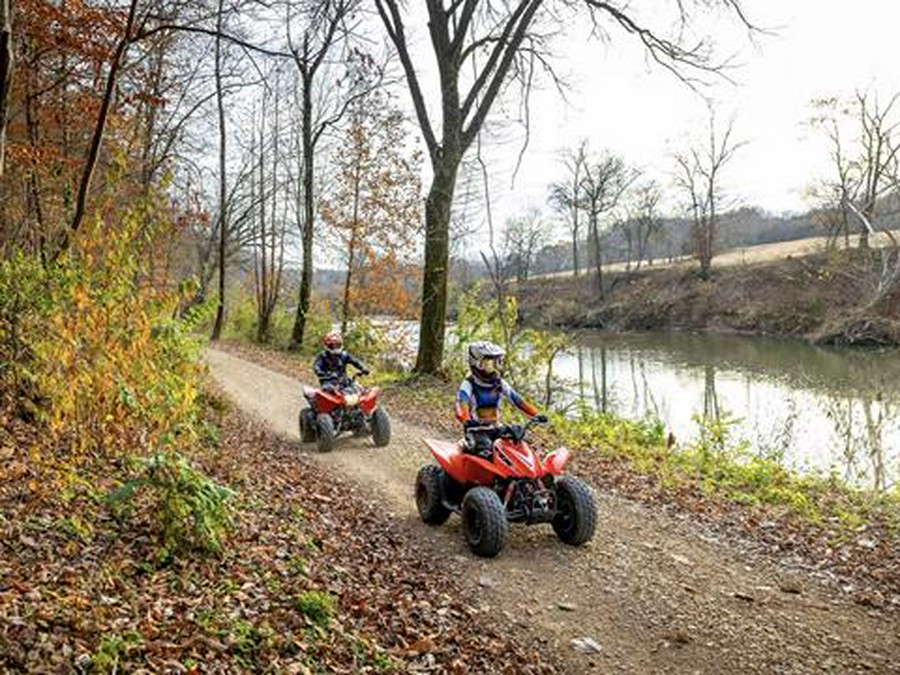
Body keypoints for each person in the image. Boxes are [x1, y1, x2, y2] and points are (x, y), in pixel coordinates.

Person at [454, 341, 543, 458]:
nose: (492, 367)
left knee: (522, 444)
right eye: (487, 363)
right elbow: (462, 403)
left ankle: (529, 474)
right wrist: (465, 418)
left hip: (496, 427)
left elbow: (518, 400)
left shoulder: (499, 383)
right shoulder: (469, 384)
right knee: (486, 453)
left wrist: (537, 414)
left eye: (495, 362)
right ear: (476, 363)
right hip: (476, 431)